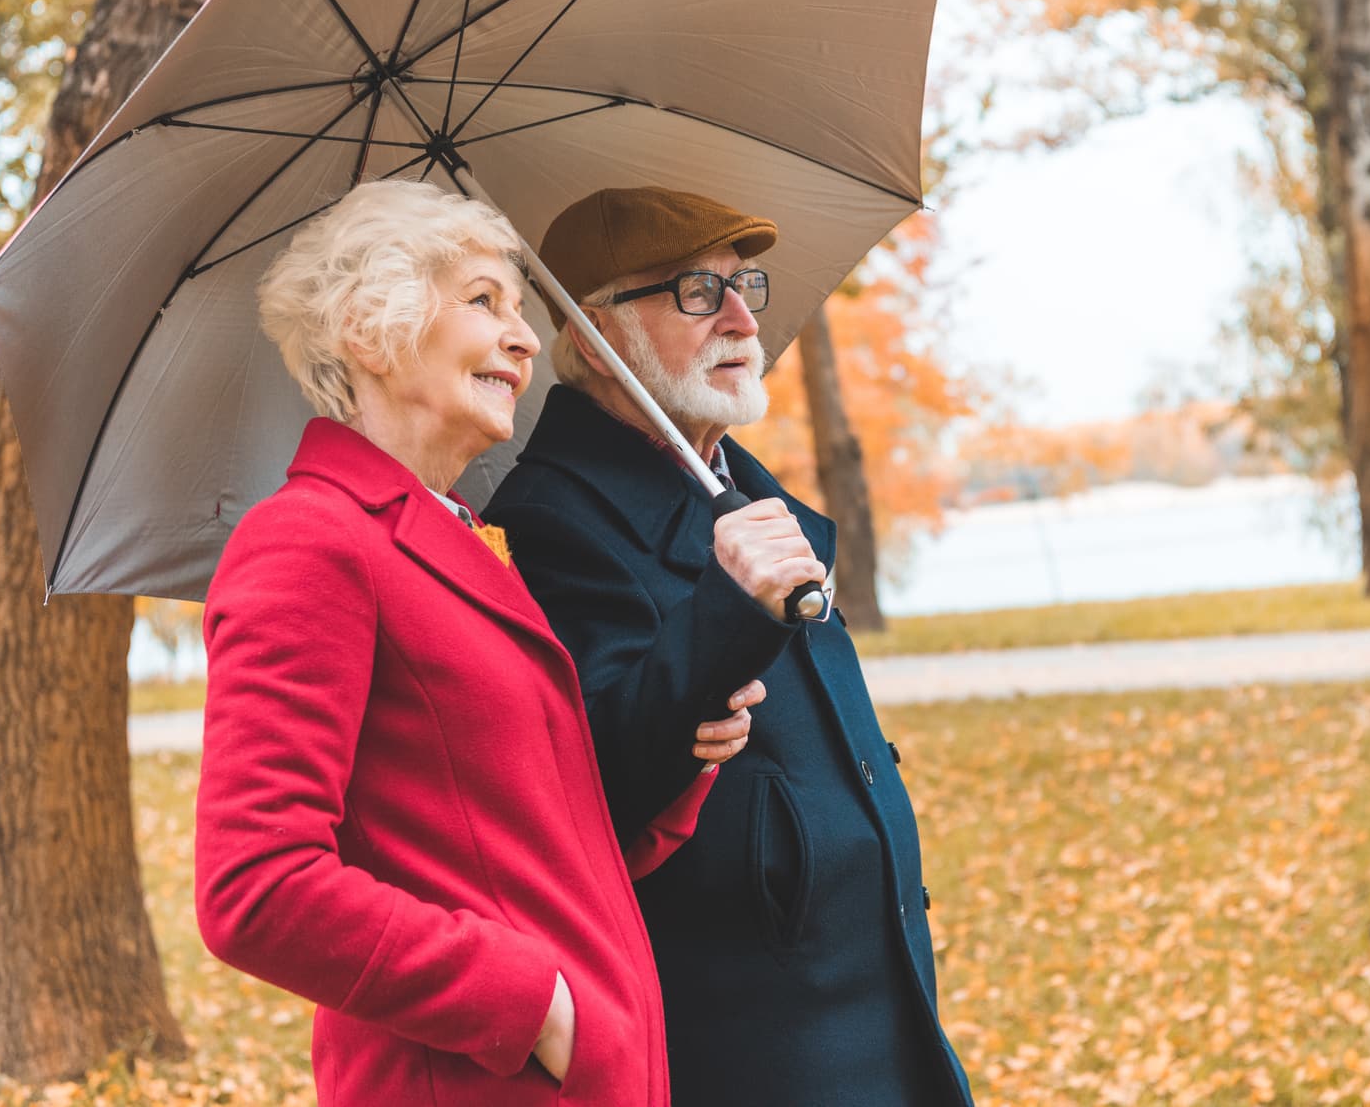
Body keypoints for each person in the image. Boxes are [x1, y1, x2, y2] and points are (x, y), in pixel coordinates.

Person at [192, 179, 763, 1106]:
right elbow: (256, 885)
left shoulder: (459, 541)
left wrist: (685, 757)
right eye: (482, 300)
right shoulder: (310, 542)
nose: (528, 336)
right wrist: (533, 1003)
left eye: (518, 306)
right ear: (370, 329)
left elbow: (539, 847)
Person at [485, 186, 976, 1106]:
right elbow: (603, 781)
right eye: (694, 293)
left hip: (878, 995)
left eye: (742, 284)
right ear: (594, 339)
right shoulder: (553, 521)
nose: (744, 317)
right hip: (760, 1033)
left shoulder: (744, 490)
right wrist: (728, 607)